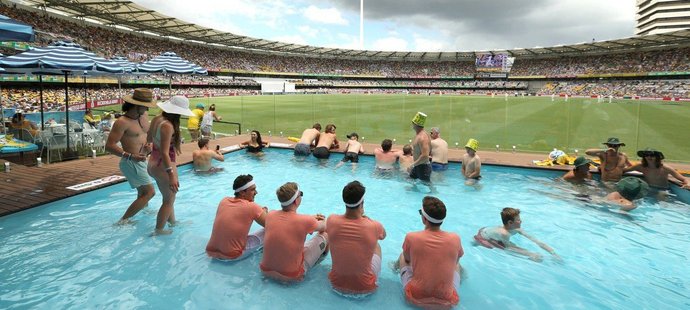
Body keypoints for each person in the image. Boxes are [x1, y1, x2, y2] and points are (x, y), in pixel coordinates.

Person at [396, 196, 463, 308]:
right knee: (457, 264)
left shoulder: (412, 237)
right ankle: (463, 276)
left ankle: (394, 267)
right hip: (447, 300)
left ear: (424, 219)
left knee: (403, 256)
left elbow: (407, 260)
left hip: (416, 297)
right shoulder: (455, 238)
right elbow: (455, 262)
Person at [105, 88, 156, 224]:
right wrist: (130, 156)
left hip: (142, 160)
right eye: (145, 106)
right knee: (149, 192)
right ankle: (123, 221)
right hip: (130, 162)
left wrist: (149, 145)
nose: (147, 109)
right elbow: (109, 146)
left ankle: (144, 210)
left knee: (142, 192)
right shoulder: (122, 122)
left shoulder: (143, 117)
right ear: (136, 105)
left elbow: (145, 135)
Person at [260, 182, 328, 282]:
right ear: (296, 201)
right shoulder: (305, 221)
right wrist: (314, 221)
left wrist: (310, 219)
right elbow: (325, 227)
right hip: (291, 277)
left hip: (265, 271)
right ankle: (320, 261)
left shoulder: (271, 215)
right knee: (326, 234)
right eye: (301, 194)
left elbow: (289, 222)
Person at [327, 181, 386, 295]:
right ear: (362, 203)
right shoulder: (374, 226)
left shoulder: (331, 220)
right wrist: (367, 219)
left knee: (331, 236)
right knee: (377, 245)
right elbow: (383, 235)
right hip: (365, 287)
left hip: (335, 284)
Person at [147, 95, 194, 235]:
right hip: (163, 166)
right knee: (169, 199)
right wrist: (171, 175)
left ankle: (172, 222)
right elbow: (165, 152)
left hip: (152, 163)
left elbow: (149, 139)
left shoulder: (157, 119)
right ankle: (158, 230)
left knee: (167, 197)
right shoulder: (168, 125)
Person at [206, 174, 268, 260]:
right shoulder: (252, 207)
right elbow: (272, 225)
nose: (256, 192)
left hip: (211, 252)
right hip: (232, 256)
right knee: (270, 231)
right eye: (253, 190)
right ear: (242, 192)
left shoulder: (224, 201)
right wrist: (265, 212)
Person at [474, 207, 559, 262]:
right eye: (518, 220)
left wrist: (553, 253)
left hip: (490, 232)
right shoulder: (505, 234)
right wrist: (529, 254)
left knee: (534, 255)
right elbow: (508, 249)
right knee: (533, 255)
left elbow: (536, 241)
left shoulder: (517, 229)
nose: (521, 221)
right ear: (510, 222)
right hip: (483, 236)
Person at [624, 148, 690, 190]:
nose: (649, 157)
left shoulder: (665, 168)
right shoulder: (641, 166)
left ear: (657, 157)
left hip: (663, 190)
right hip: (649, 188)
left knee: (661, 197)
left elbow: (684, 179)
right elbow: (624, 171)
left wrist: (688, 184)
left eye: (652, 155)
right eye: (646, 155)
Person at [408, 112, 431, 183]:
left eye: (413, 123)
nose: (412, 125)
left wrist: (412, 165)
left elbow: (425, 155)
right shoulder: (419, 135)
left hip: (423, 167)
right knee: (411, 180)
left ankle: (433, 194)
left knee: (427, 186)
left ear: (415, 124)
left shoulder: (422, 137)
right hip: (418, 165)